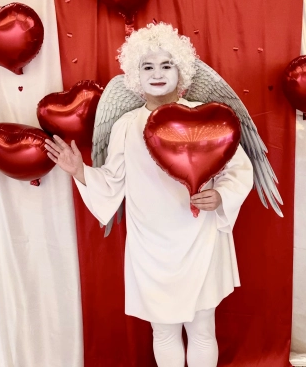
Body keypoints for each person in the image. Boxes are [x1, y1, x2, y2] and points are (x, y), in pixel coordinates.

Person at [45, 23, 253, 367]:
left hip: (201, 235)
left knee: (202, 329)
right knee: (164, 331)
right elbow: (113, 180)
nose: (157, 74)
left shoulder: (206, 117)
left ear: (181, 70)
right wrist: (79, 170)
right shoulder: (127, 126)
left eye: (166, 65)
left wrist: (221, 196)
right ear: (134, 75)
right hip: (150, 244)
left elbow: (238, 169)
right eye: (148, 66)